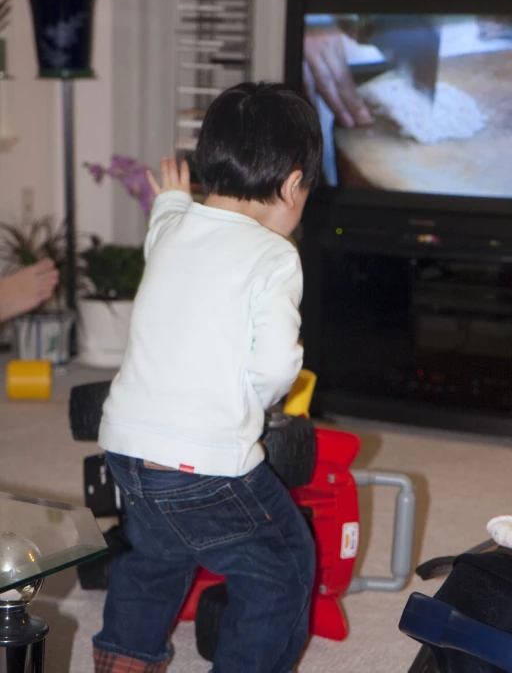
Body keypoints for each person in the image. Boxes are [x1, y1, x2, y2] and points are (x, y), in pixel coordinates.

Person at [92, 82, 323, 673]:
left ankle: (125, 659)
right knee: (283, 562)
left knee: (157, 552)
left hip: (127, 447)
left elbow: (163, 223)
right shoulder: (275, 256)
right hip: (205, 464)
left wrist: (171, 198)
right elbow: (273, 366)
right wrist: (265, 399)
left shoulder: (173, 228)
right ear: (294, 185)